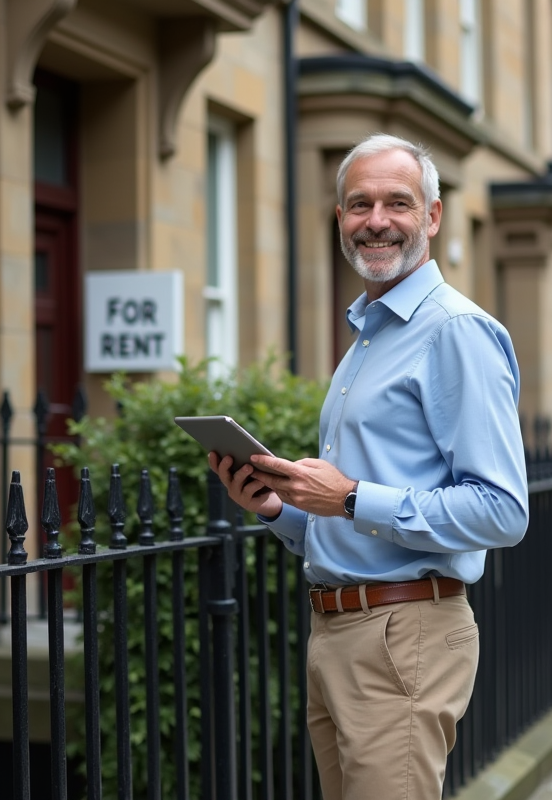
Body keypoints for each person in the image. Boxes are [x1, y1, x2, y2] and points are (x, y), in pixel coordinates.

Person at [209, 133, 528, 800]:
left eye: (397, 203)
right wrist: (278, 510)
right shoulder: (370, 337)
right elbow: (348, 516)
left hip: (403, 634)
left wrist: (353, 497)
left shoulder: (454, 332)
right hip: (337, 631)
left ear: (433, 217)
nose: (376, 220)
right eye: (359, 204)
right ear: (339, 218)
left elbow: (502, 510)